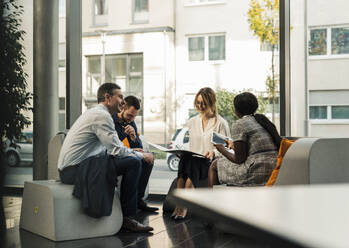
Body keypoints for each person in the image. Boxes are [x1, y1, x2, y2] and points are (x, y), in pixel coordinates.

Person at [57, 83, 154, 233]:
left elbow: (107, 148)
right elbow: (116, 150)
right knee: (134, 162)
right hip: (72, 171)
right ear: (107, 98)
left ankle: (132, 207)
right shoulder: (102, 116)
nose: (123, 101)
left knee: (134, 159)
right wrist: (141, 154)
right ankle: (127, 218)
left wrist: (132, 150)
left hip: (77, 166)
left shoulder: (98, 113)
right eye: (120, 96)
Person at [171, 87, 230, 220]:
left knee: (191, 162)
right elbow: (191, 144)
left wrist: (214, 152)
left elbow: (227, 148)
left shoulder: (220, 123)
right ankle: (180, 204)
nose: (200, 106)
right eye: (198, 102)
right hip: (194, 160)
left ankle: (182, 206)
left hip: (210, 162)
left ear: (211, 103)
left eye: (204, 103)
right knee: (186, 158)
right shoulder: (192, 122)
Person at [208, 92, 281, 187]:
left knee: (214, 165)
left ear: (236, 110)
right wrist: (233, 146)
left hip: (256, 171)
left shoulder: (239, 124)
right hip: (274, 168)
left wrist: (221, 149)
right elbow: (255, 150)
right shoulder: (261, 121)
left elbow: (239, 159)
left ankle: (212, 199)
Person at [112, 95, 158, 212]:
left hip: (129, 153)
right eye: (129, 115)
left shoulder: (131, 123)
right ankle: (129, 208)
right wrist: (132, 149)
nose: (131, 119)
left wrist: (133, 137)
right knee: (136, 161)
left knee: (148, 160)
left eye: (134, 116)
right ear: (122, 108)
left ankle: (138, 199)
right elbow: (113, 146)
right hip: (115, 155)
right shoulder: (111, 121)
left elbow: (139, 147)